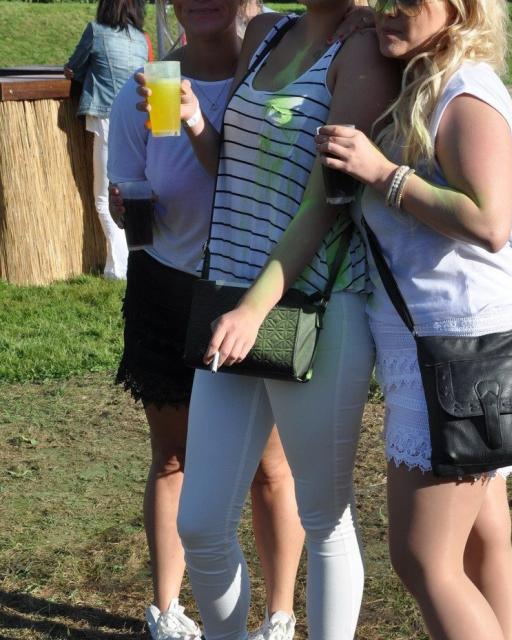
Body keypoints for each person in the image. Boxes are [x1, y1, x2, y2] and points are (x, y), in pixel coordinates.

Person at [133, 2, 398, 637]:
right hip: (231, 297)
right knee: (201, 522)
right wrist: (195, 121)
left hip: (315, 307)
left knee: (324, 515)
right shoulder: (265, 30)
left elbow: (327, 200)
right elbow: (227, 163)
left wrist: (256, 309)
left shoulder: (361, 50)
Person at [314, 1, 512, 639]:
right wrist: (360, 23)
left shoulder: (465, 92)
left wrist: (382, 174)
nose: (390, 8)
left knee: (423, 559)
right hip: (451, 344)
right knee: (482, 540)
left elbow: (489, 222)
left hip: (456, 351)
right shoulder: (427, 79)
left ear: (459, 8)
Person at [107, 0, 315, 638]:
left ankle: (279, 616)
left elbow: (255, 179)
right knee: (173, 456)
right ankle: (166, 609)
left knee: (270, 468)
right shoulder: (146, 90)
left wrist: (199, 121)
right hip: (167, 289)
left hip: (247, 291)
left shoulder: (273, 75)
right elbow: (129, 201)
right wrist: (126, 209)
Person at [64, 0, 150, 280]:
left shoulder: (96, 31)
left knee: (105, 197)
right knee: (133, 192)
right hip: (139, 120)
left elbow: (73, 68)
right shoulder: (141, 38)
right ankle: (138, 260)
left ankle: (119, 268)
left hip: (106, 117)